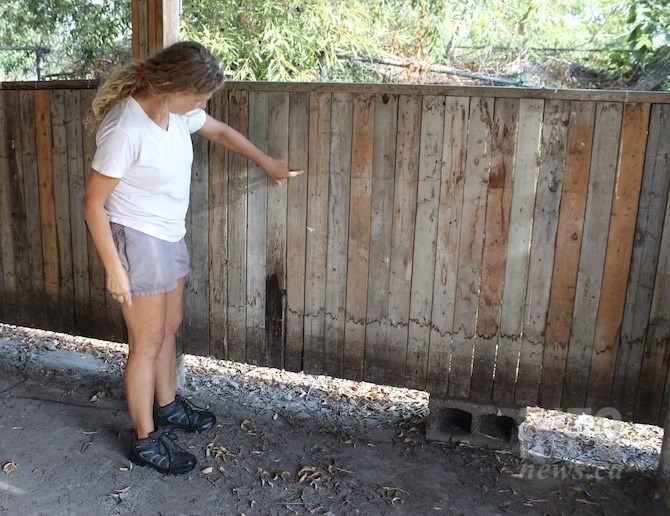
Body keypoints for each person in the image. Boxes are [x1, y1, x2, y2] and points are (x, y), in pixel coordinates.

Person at [83, 41, 303, 475]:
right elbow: (93, 203)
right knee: (144, 343)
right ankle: (145, 440)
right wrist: (114, 268)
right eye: (199, 96)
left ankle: (166, 406)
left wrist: (268, 163)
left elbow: (219, 131)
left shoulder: (177, 112)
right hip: (137, 238)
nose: (202, 105)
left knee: (168, 326)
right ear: (170, 86)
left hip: (168, 233)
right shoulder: (126, 128)